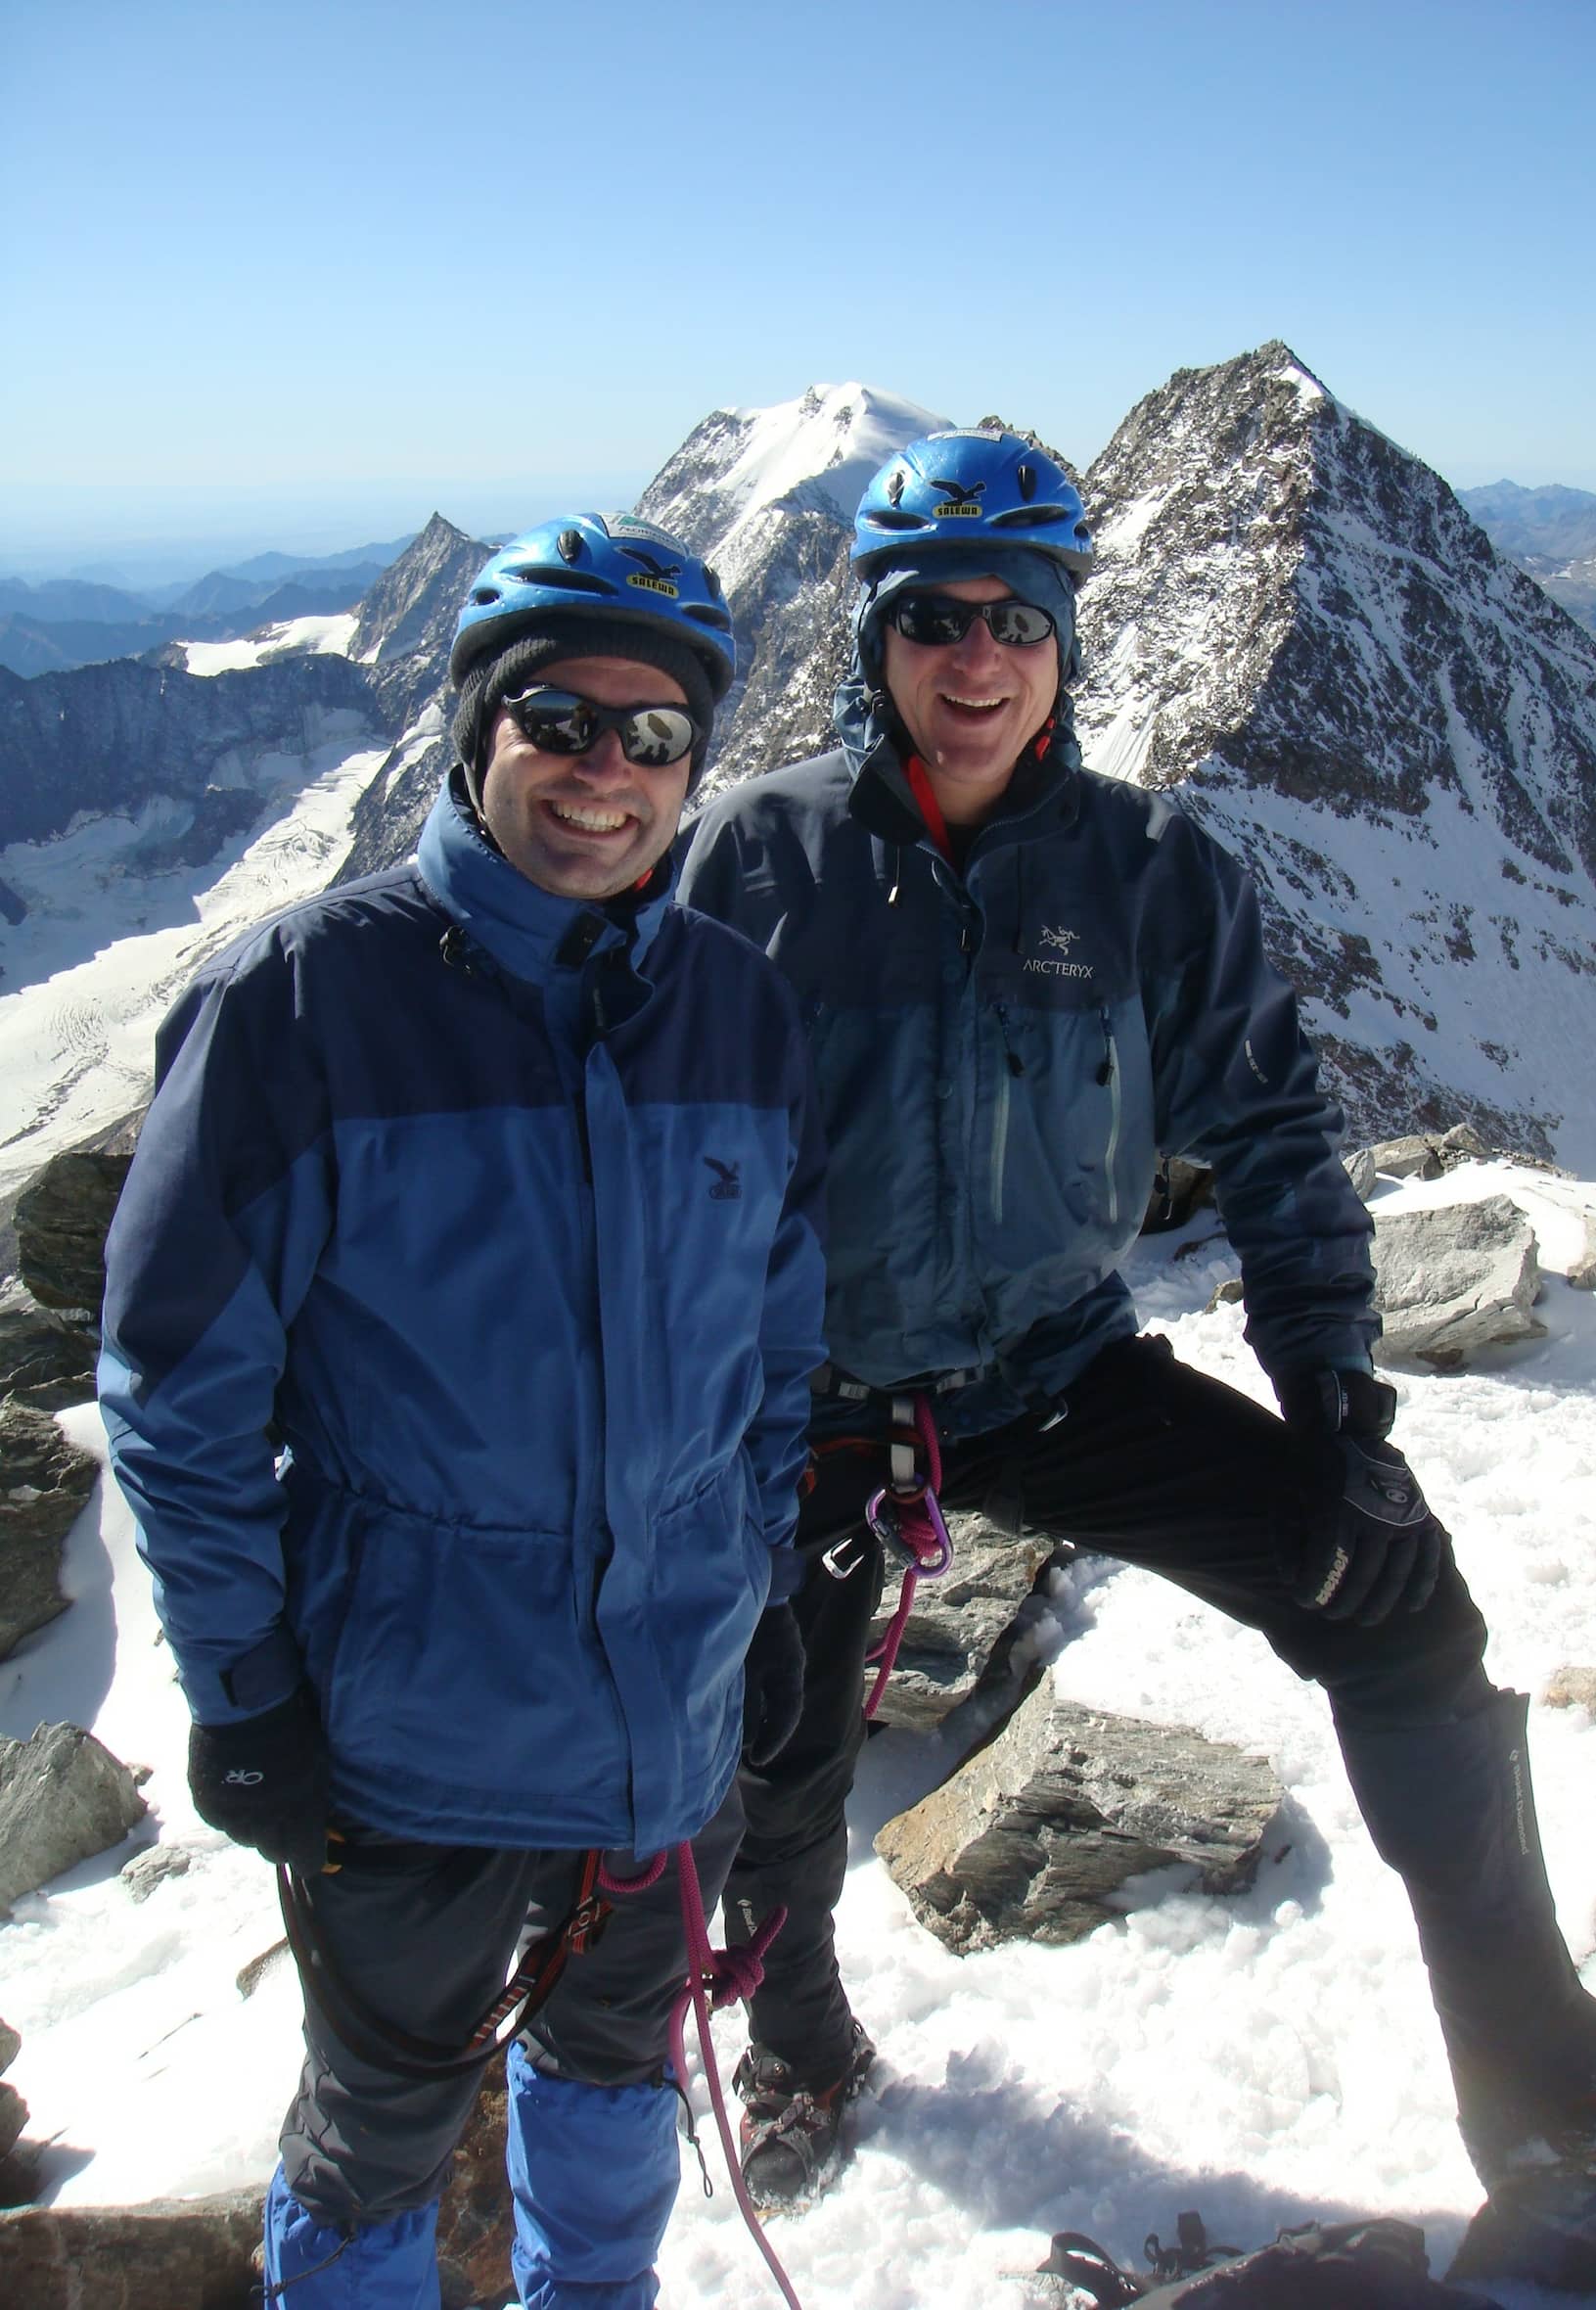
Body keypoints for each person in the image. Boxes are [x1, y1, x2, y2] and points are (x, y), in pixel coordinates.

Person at [677, 428, 1596, 2206]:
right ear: (876, 639)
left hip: (1055, 1372)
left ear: (1064, 640)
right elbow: (654, 1153)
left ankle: (1539, 2061)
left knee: (1399, 1611)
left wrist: (1337, 1411)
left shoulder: (1146, 868)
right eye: (932, 616)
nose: (975, 654)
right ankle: (802, 2045)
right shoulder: (755, 861)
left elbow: (1272, 1142)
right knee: (774, 1753)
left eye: (1016, 617)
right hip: (813, 1399)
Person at [99, 513, 826, 2310]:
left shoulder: (734, 1008)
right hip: (406, 1730)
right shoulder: (302, 1004)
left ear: (695, 764)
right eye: (557, 720)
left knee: (620, 2058)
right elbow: (181, 1396)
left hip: (666, 1708)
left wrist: (749, 1579)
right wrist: (245, 1692)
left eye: (653, 734)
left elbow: (773, 1345)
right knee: (378, 2126)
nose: (604, 771)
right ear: (475, 727)